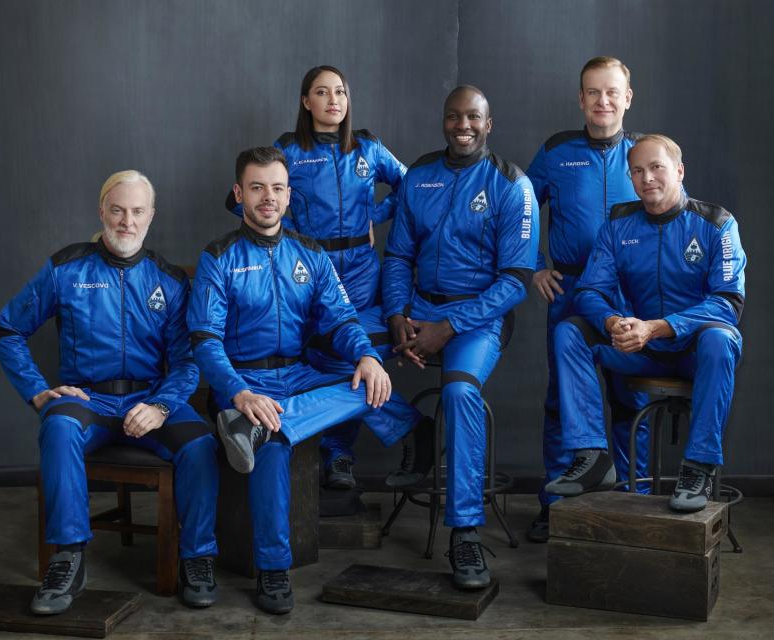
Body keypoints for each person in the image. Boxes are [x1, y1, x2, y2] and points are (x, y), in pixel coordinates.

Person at [192, 146, 432, 615]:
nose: (268, 198)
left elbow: (341, 318)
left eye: (278, 188)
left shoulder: (310, 253)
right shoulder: (218, 257)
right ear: (240, 194)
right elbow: (205, 341)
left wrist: (365, 354)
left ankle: (270, 425)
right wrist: (238, 392)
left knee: (367, 380)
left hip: (298, 375)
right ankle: (274, 570)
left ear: (289, 195)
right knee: (274, 446)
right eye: (257, 188)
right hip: (243, 383)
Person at [0, 171, 219, 613]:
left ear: (151, 216)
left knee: (201, 444)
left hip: (150, 401)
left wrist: (160, 405)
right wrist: (38, 392)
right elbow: (6, 329)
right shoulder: (65, 268)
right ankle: (69, 559)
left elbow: (189, 360)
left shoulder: (169, 281)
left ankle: (198, 559)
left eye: (136, 212)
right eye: (117, 210)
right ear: (102, 212)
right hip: (87, 401)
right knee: (57, 428)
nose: (126, 222)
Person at [224, 65, 428, 491]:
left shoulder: (367, 148)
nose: (333, 100)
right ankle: (393, 433)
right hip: (310, 266)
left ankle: (338, 456)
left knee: (342, 354)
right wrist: (289, 230)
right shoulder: (290, 150)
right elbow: (246, 200)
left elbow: (411, 185)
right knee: (322, 355)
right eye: (322, 92)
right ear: (306, 101)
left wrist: (375, 214)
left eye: (340, 92)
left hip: (360, 267)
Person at [382, 86, 538, 589]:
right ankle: (414, 432)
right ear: (443, 121)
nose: (462, 125)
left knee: (459, 391)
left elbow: (515, 281)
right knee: (341, 351)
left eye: (473, 117)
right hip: (418, 307)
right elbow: (399, 256)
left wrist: (447, 328)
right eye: (453, 116)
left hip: (478, 318)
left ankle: (465, 532)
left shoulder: (512, 184)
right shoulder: (419, 176)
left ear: (488, 125)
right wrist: (396, 317)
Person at [546, 134, 746, 512]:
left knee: (721, 338)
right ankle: (592, 456)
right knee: (569, 330)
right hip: (642, 351)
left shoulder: (716, 224)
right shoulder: (619, 226)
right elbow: (588, 290)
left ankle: (698, 466)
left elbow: (728, 303)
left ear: (679, 171)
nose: (647, 178)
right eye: (637, 170)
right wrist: (612, 322)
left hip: (694, 353)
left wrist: (657, 326)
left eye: (657, 167)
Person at [525, 56, 650, 542]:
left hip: (630, 295)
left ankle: (631, 502)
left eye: (612, 92)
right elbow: (520, 206)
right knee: (563, 402)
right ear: (581, 99)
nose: (603, 101)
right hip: (572, 290)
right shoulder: (558, 151)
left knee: (629, 398)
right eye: (593, 93)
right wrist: (534, 264)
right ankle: (556, 503)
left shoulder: (644, 152)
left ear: (627, 97)